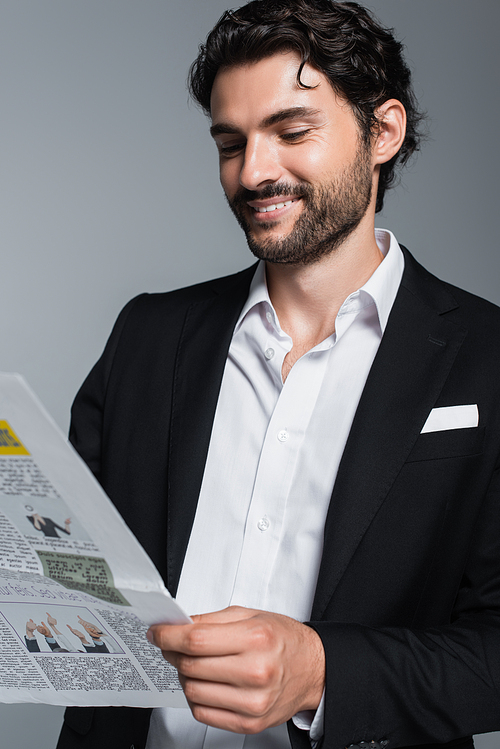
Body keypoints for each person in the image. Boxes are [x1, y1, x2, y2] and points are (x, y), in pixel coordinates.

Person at [57, 1, 500, 748]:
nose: (253, 171)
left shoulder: (487, 355)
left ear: (382, 132)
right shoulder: (147, 335)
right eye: (231, 143)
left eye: (292, 131)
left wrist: (323, 669)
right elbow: (67, 567)